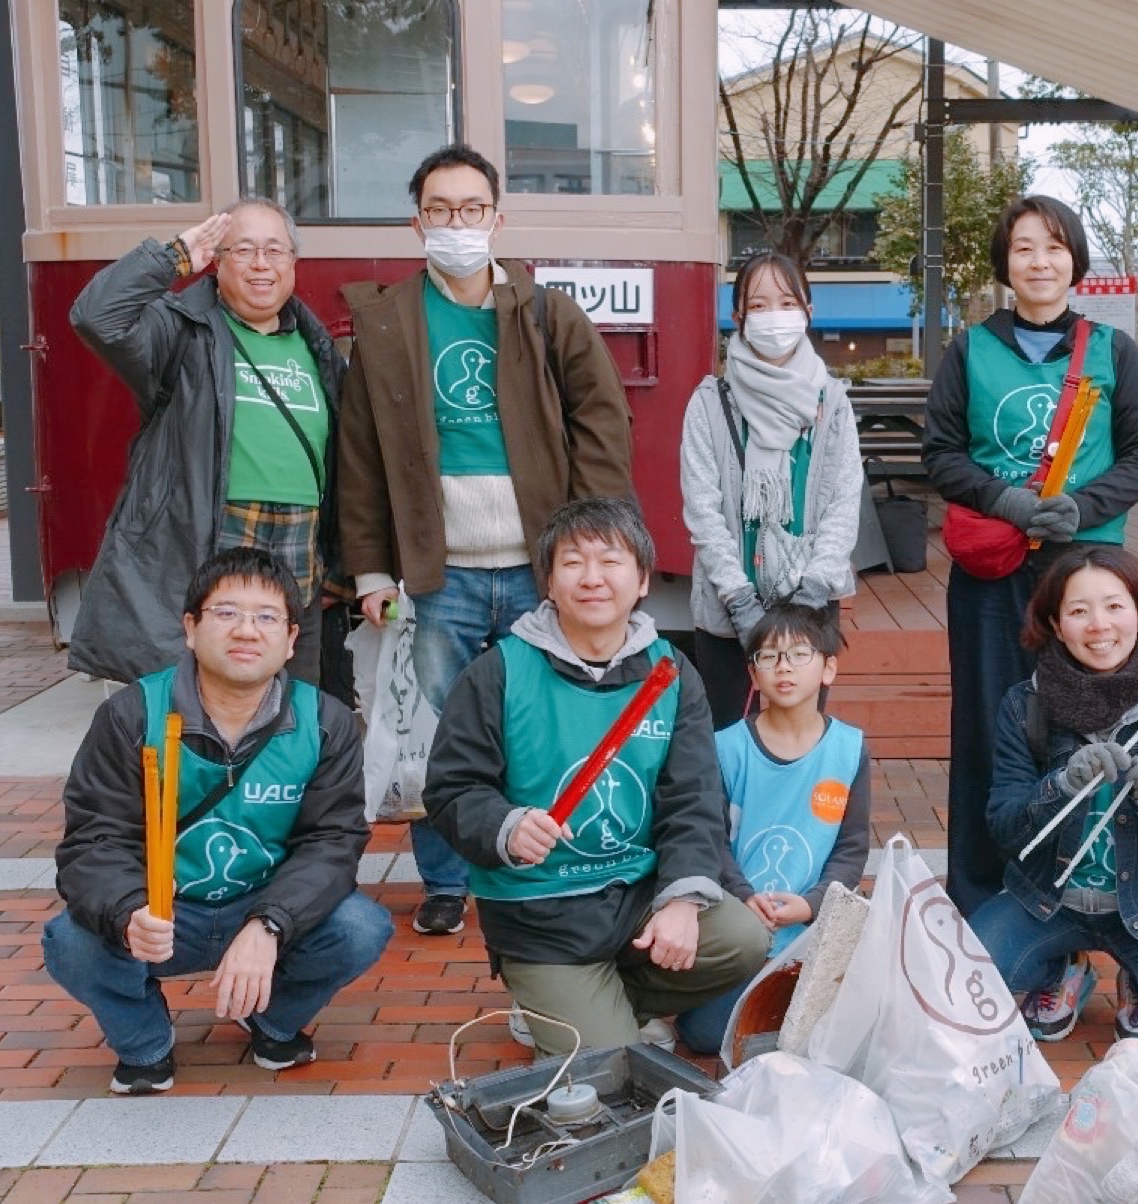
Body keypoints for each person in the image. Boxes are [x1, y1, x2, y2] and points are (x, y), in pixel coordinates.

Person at [338, 143, 635, 938]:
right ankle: (446, 876)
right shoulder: (388, 322)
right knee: (443, 729)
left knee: (543, 718)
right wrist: (371, 569)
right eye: (440, 210)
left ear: (497, 220)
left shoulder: (547, 315)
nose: (457, 224)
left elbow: (601, 427)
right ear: (417, 222)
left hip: (540, 568)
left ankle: (545, 854)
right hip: (440, 576)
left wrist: (594, 548)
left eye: (472, 210)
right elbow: (359, 454)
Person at [422, 498, 770, 1055]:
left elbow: (695, 797)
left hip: (637, 894)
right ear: (550, 582)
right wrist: (506, 828)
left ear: (641, 581)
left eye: (610, 562)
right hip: (541, 913)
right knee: (610, 1069)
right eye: (572, 563)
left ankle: (604, 1003)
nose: (592, 579)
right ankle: (561, 1005)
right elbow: (450, 789)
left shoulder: (672, 673)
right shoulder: (499, 672)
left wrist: (681, 900)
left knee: (743, 939)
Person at [43, 548, 394, 1095]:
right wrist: (128, 912)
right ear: (191, 628)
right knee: (71, 941)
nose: (246, 631)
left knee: (360, 928)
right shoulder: (133, 714)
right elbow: (93, 839)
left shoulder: (325, 722)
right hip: (162, 915)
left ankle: (271, 1020)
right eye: (226, 613)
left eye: (266, 616)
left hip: (260, 908)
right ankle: (144, 1043)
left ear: (291, 637)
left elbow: (333, 843)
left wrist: (272, 923)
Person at [922, 195, 1138, 917]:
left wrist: (1082, 508)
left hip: (1083, 571)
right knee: (985, 722)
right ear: (1005, 263)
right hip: (991, 572)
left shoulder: (1112, 351)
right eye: (1023, 247)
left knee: (1083, 724)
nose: (1038, 261)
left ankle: (1077, 887)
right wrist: (1007, 501)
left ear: (1075, 261)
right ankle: (978, 892)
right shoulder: (969, 349)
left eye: (1053, 247)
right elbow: (939, 451)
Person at [68, 198, 343, 688]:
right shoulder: (181, 330)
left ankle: (277, 768)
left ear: (294, 263)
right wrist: (170, 258)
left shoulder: (316, 344)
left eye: (275, 250)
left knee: (293, 693)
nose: (262, 263)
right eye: (243, 249)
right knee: (211, 687)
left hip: (301, 540)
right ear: (217, 260)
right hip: (213, 533)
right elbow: (96, 316)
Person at [971, 546, 1138, 1042]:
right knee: (970, 977)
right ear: (1054, 621)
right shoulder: (1026, 704)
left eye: (1114, 606)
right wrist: (1060, 786)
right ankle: (1062, 968)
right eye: (1078, 610)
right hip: (1047, 897)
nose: (1099, 625)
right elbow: (1004, 827)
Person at [675, 603, 872, 1055]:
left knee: (849, 1025)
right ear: (753, 673)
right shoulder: (726, 748)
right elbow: (712, 840)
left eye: (799, 654)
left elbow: (851, 848)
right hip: (740, 925)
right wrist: (744, 895)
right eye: (769, 656)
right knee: (705, 1035)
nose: (784, 667)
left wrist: (811, 904)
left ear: (828, 669)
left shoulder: (848, 749)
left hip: (811, 927)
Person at [679, 253, 864, 728]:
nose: (774, 316)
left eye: (786, 301)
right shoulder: (709, 403)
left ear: (808, 310)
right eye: (758, 305)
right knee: (726, 739)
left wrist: (812, 593)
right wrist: (739, 601)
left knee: (800, 740)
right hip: (727, 611)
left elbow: (844, 499)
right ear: (738, 317)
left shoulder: (832, 400)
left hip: (811, 605)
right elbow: (702, 509)